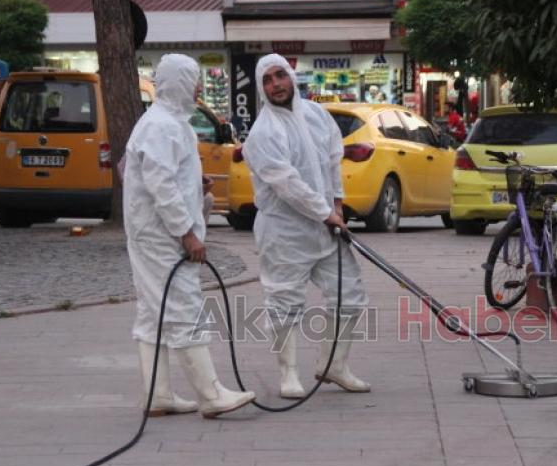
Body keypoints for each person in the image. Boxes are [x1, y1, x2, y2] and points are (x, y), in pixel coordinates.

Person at [123, 54, 255, 419]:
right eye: (194, 80)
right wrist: (186, 233)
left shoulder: (168, 123)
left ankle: (158, 394)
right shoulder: (161, 126)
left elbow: (163, 175)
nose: (199, 87)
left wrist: (195, 185)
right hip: (161, 235)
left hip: (155, 231)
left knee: (155, 311)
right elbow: (160, 184)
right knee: (184, 307)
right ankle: (210, 395)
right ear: (178, 83)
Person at [243, 53, 371, 400]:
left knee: (350, 296)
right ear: (260, 87)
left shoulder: (317, 115)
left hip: (326, 227)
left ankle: (335, 364)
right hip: (284, 231)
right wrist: (324, 213)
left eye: (279, 75)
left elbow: (332, 164)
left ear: (291, 76)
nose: (275, 85)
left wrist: (337, 207)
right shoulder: (262, 133)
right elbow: (287, 184)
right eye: (267, 80)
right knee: (284, 301)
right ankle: (288, 373)